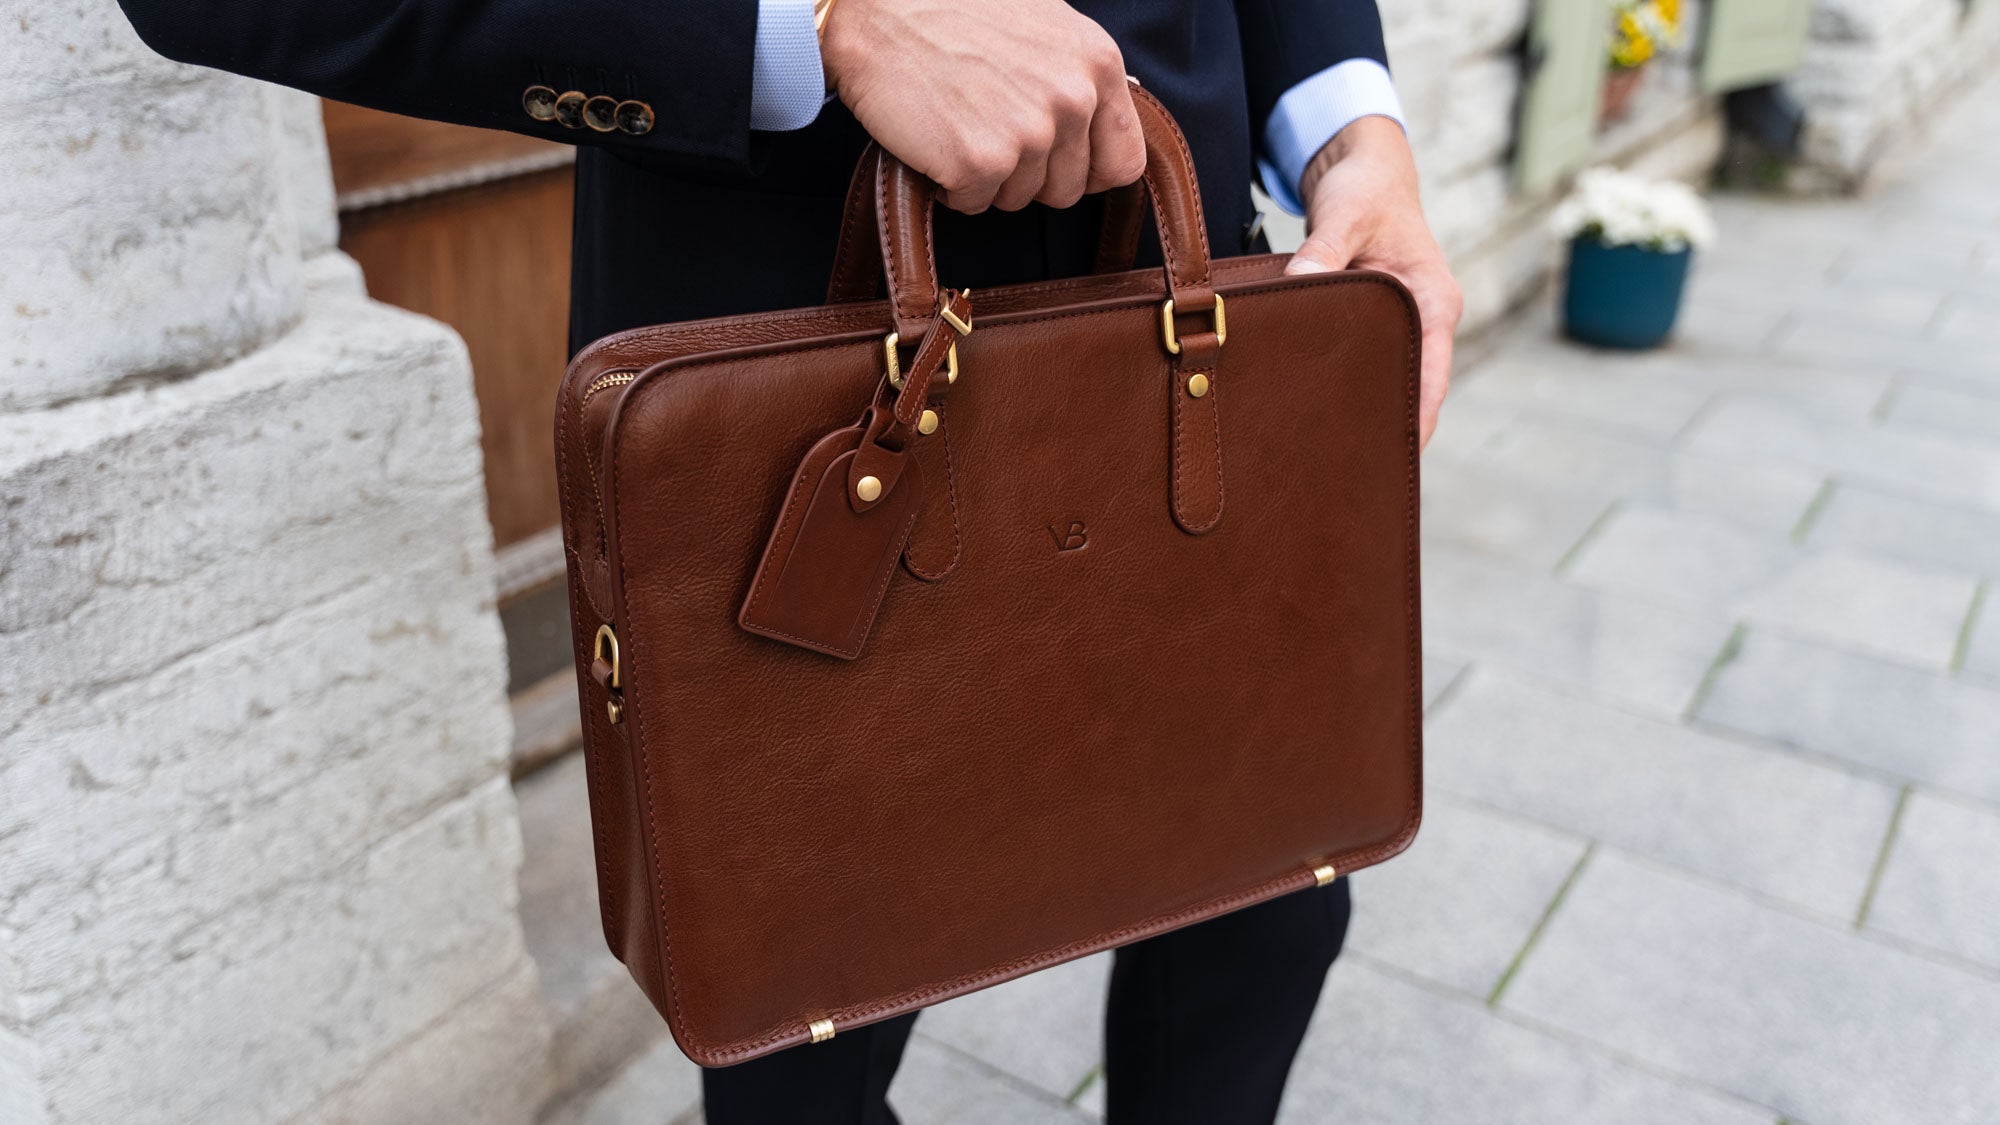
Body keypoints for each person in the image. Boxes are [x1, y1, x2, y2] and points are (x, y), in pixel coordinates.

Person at [117, 1, 1460, 1120]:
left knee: (1266, 904)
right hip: (779, 363)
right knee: (803, 1038)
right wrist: (820, 21)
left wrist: (1352, 132)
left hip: (1186, 291)